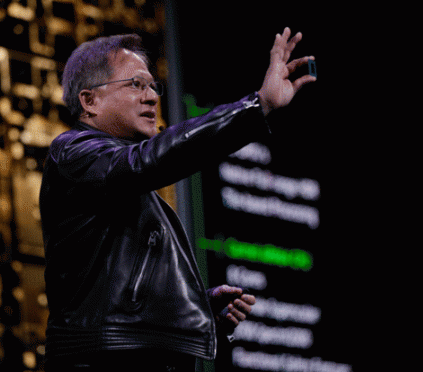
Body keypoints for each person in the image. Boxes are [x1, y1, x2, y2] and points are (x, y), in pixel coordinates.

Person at [39, 28, 316, 371]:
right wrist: (258, 106)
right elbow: (149, 160)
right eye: (136, 84)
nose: (151, 97)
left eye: (153, 86)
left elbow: (115, 292)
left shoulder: (122, 183)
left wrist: (193, 308)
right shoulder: (73, 153)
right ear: (89, 101)